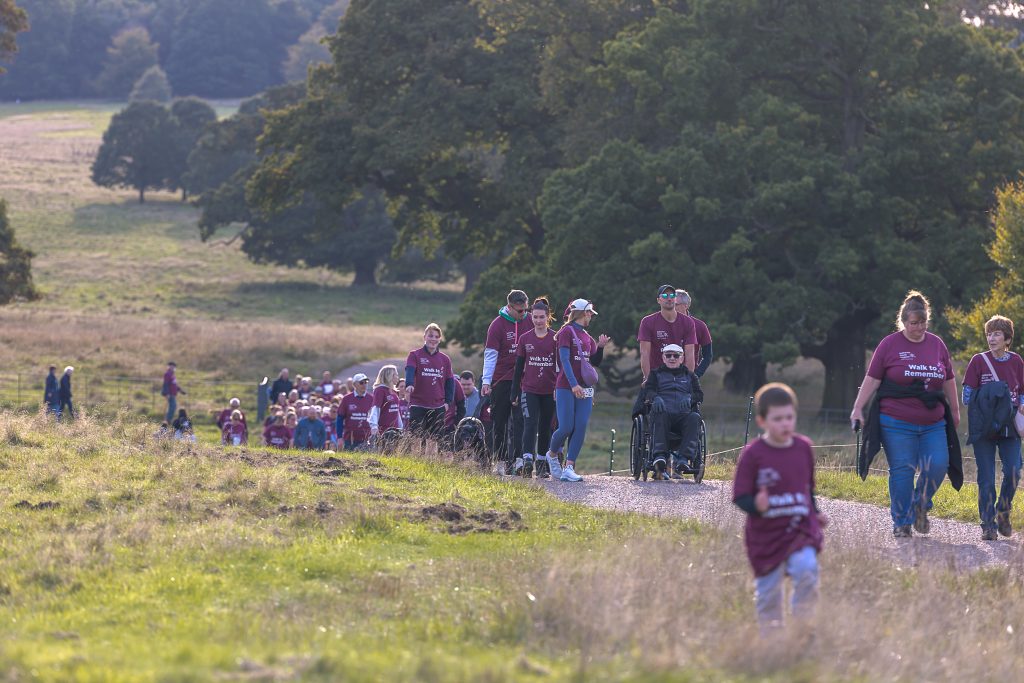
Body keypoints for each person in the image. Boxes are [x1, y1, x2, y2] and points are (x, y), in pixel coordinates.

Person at [851, 291, 962, 538]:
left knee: (938, 464)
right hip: (896, 422)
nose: (919, 328)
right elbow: (872, 379)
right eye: (914, 323)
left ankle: (920, 505)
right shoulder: (889, 345)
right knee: (902, 469)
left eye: (923, 323)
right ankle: (902, 522)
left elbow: (949, 379)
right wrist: (858, 407)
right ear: (903, 321)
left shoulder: (937, 344)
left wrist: (954, 411)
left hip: (933, 421)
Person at [732, 383, 826, 631]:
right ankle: (772, 643)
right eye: (777, 419)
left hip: (799, 531)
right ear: (762, 421)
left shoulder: (803, 448)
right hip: (765, 537)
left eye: (789, 417)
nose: (785, 424)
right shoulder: (753, 454)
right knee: (769, 596)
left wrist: (815, 513)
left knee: (807, 570)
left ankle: (803, 630)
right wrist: (756, 505)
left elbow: (808, 489)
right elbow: (739, 496)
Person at [962, 315, 1024, 540]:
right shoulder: (978, 361)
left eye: (997, 333)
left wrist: (1022, 405)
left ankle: (1003, 512)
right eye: (989, 333)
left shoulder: (1017, 361)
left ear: (1007, 338)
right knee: (986, 477)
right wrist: (991, 394)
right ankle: (988, 524)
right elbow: (966, 396)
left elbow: (1023, 391)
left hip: (1009, 426)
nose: (991, 337)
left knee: (1014, 471)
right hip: (984, 427)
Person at [545, 299, 609, 482]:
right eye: (589, 313)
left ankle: (569, 467)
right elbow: (564, 361)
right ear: (580, 313)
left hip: (586, 389)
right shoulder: (566, 332)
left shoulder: (587, 336)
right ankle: (552, 454)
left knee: (580, 426)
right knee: (566, 426)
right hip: (567, 386)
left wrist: (601, 347)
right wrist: (574, 384)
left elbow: (594, 362)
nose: (590, 316)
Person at [633, 344, 703, 479]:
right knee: (660, 414)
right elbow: (647, 390)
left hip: (683, 416)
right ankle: (659, 457)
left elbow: (700, 395)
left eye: (676, 355)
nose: (672, 358)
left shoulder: (690, 376)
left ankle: (683, 459)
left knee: (694, 417)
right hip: (662, 413)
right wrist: (655, 397)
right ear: (663, 358)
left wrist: (690, 397)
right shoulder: (655, 374)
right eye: (668, 355)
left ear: (682, 358)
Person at [481, 289, 530, 474]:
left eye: (526, 309)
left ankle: (519, 461)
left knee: (520, 421)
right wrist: (486, 381)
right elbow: (490, 355)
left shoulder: (530, 320)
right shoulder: (497, 325)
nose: (523, 314)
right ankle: (500, 461)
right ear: (509, 307)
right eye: (519, 311)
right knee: (499, 421)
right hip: (501, 379)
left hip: (524, 379)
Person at [512, 297, 558, 478]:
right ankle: (527, 460)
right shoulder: (525, 339)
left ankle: (541, 463)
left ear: (548, 317)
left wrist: (559, 388)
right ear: (531, 317)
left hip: (549, 391)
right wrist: (514, 392)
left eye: (542, 317)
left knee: (545, 426)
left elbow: (560, 366)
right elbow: (518, 368)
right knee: (530, 424)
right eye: (535, 317)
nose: (538, 321)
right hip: (529, 389)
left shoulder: (556, 338)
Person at [405, 323, 456, 448]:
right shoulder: (415, 355)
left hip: (437, 405)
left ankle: (430, 465)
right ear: (425, 337)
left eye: (436, 336)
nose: (433, 339)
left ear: (439, 339)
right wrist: (409, 384)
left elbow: (450, 381)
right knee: (416, 437)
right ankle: (415, 464)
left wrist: (448, 402)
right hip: (418, 403)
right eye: (430, 336)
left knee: (434, 440)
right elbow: (410, 370)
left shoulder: (445, 359)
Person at [637, 285, 697, 381]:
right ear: (658, 300)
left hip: (680, 378)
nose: (669, 298)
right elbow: (645, 353)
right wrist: (648, 379)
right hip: (656, 377)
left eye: (672, 295)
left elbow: (690, 354)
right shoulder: (648, 322)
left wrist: (687, 379)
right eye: (665, 296)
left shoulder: (688, 322)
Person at [677, 290, 713, 378]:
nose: (671, 307)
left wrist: (696, 375)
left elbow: (708, 355)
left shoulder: (700, 326)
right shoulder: (662, 323)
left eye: (676, 304)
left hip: (687, 379)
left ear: (686, 305)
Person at [339, 373, 374, 450]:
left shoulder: (371, 398)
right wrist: (339, 437)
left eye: (366, 382)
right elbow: (340, 418)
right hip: (350, 439)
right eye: (361, 383)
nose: (364, 385)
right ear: (354, 384)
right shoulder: (347, 399)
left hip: (367, 439)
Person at [369, 365, 405, 438]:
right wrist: (374, 426)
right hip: (384, 430)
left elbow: (397, 411)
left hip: (395, 430)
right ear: (390, 376)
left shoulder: (393, 391)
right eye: (396, 375)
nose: (397, 377)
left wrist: (401, 428)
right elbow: (375, 409)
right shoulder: (380, 390)